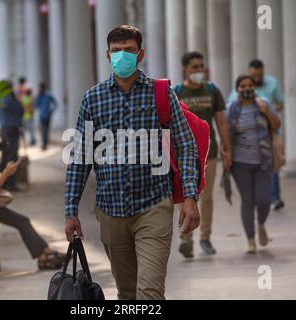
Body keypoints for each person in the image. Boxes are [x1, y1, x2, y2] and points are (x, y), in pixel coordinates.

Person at [64, 25, 200, 300]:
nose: (122, 56)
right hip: (110, 210)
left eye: (128, 50)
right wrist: (70, 210)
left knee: (149, 292)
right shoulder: (93, 99)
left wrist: (190, 196)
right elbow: (80, 158)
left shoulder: (161, 93)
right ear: (107, 55)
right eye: (116, 51)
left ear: (140, 55)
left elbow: (185, 144)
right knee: (127, 294)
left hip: (153, 205)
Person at [0, 122, 65, 270]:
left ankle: (44, 254)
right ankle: (44, 254)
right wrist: (6, 173)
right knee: (22, 221)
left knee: (22, 221)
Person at [174, 52, 232, 258]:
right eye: (194, 67)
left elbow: (221, 121)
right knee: (187, 196)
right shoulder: (176, 92)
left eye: (201, 66)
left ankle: (205, 238)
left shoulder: (212, 91)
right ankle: (186, 238)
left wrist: (227, 148)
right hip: (184, 156)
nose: (199, 70)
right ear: (185, 70)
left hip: (210, 153)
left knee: (206, 198)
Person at [225, 75, 281, 254]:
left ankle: (261, 224)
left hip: (263, 161)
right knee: (247, 200)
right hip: (240, 163)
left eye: (250, 85)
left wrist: (267, 112)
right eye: (243, 86)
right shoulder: (231, 109)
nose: (247, 88)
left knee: (264, 200)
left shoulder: (263, 103)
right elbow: (226, 135)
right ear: (237, 89)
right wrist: (226, 156)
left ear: (254, 87)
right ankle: (250, 240)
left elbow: (276, 124)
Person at [228, 59, 285, 211]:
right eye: (255, 75)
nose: (258, 78)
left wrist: (269, 111)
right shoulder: (236, 95)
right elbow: (230, 115)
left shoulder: (271, 85)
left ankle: (275, 198)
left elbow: (281, 103)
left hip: (269, 134)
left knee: (272, 166)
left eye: (259, 76)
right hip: (248, 142)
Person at [0, 82, 24, 191]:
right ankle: (11, 184)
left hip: (4, 129)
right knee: (12, 156)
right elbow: (21, 110)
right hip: (12, 129)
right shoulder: (10, 99)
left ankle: (3, 183)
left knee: (5, 155)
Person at [34, 82, 58, 150]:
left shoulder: (48, 95)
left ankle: (45, 143)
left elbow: (55, 103)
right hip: (41, 116)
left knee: (46, 130)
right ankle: (44, 144)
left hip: (47, 115)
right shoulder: (38, 96)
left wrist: (51, 111)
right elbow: (35, 105)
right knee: (43, 130)